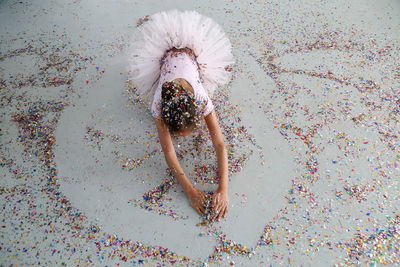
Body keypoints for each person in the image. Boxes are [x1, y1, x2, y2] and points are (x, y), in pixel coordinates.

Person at [128, 10, 233, 221]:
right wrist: (190, 192)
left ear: (198, 115)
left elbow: (220, 144)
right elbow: (168, 152)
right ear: (166, 121)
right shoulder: (159, 104)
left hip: (190, 56)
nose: (183, 139)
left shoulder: (201, 99)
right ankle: (148, 22)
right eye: (180, 134)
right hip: (167, 62)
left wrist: (223, 190)